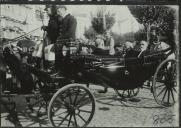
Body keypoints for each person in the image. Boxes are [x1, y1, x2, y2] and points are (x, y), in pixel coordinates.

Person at [55, 5, 77, 71]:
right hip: (63, 44)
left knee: (68, 61)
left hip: (69, 44)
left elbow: (71, 33)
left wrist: (60, 38)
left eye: (58, 11)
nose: (58, 13)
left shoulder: (71, 18)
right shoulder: (63, 19)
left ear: (63, 10)